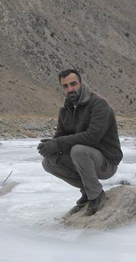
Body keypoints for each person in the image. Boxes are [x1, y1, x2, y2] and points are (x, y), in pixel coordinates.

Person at [38, 69, 123, 216]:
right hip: (83, 160)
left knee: (78, 150)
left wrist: (58, 143)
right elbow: (60, 136)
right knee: (48, 162)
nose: (70, 89)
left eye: (73, 84)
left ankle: (96, 195)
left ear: (81, 84)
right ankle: (87, 190)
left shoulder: (99, 104)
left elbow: (92, 137)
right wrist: (49, 145)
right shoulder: (65, 110)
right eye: (65, 86)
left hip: (106, 162)